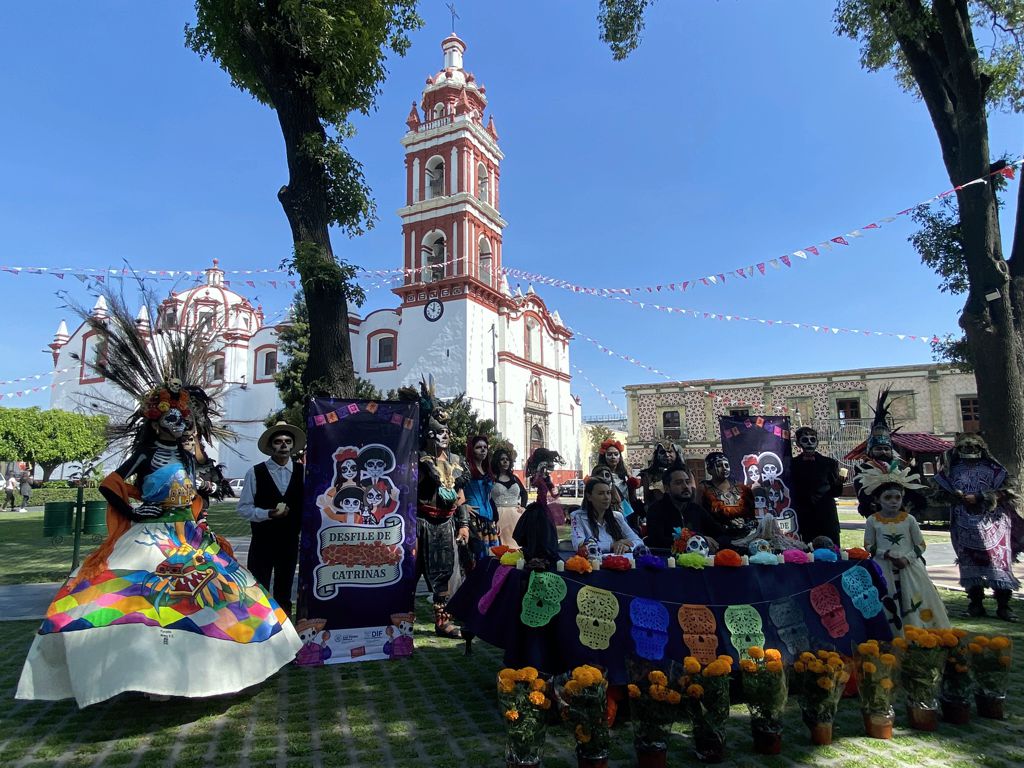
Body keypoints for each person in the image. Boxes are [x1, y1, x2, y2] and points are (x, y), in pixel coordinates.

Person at [934, 433, 1024, 621]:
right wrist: (955, 496)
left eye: (974, 447)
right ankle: (975, 604)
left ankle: (1003, 606)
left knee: (998, 563)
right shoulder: (951, 470)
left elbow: (1007, 491)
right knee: (968, 563)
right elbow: (938, 494)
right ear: (957, 449)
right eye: (964, 447)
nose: (969, 450)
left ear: (982, 448)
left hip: (993, 523)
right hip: (963, 524)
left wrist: (982, 496)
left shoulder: (994, 470)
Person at [407, 381, 470, 639]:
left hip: (445, 524)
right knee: (410, 572)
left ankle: (442, 622)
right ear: (429, 434)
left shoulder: (457, 462)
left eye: (446, 432)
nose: (444, 436)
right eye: (438, 432)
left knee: (443, 575)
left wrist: (464, 525)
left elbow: (460, 497)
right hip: (419, 522)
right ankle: (402, 621)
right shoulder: (418, 459)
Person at [861, 465, 951, 633]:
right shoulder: (872, 521)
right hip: (883, 568)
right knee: (888, 600)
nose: (893, 501)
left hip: (910, 568)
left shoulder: (909, 520)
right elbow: (868, 545)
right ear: (877, 500)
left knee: (915, 600)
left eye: (897, 497)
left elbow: (921, 545)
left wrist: (906, 559)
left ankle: (918, 632)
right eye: (888, 497)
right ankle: (893, 634)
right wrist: (886, 554)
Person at [236, 420, 306, 617]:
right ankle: (259, 627)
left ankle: (284, 629)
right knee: (258, 590)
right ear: (270, 446)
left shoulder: (302, 472)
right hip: (262, 541)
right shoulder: (255, 472)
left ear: (293, 446)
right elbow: (243, 508)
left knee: (284, 591)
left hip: (290, 542)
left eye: (287, 441)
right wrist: (267, 514)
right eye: (278, 441)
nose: (283, 445)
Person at [854, 387, 926, 518]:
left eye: (886, 449)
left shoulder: (902, 467)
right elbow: (863, 494)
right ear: (870, 451)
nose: (883, 451)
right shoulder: (862, 469)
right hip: (876, 517)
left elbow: (913, 492)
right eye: (878, 449)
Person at [645, 466, 726, 550]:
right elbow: (657, 541)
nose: (686, 486)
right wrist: (697, 540)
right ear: (667, 488)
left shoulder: (696, 509)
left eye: (687, 482)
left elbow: (719, 533)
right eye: (679, 483)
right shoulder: (656, 510)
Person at [789, 426, 845, 546]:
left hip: (827, 515)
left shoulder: (829, 463)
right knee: (808, 550)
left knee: (832, 549)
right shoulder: (793, 464)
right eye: (805, 440)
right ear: (798, 444)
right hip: (805, 516)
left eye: (813, 439)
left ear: (817, 442)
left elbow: (836, 493)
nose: (809, 443)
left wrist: (839, 483)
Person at [570, 476, 643, 554]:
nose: (606, 497)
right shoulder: (577, 516)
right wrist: (611, 545)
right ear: (589, 496)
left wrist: (627, 547)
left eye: (608, 493)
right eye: (601, 493)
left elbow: (639, 541)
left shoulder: (617, 517)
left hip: (617, 560)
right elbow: (580, 546)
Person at [460, 435, 499, 563]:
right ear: (472, 450)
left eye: (485, 447)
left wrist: (496, 519)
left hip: (489, 521)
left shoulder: (487, 470)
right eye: (478, 447)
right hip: (474, 520)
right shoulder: (465, 470)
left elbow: (489, 498)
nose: (483, 450)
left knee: (492, 559)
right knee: (476, 559)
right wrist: (463, 506)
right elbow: (454, 490)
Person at [697, 451, 754, 538]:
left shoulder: (742, 488)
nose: (724, 468)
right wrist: (726, 526)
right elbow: (699, 517)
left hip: (745, 536)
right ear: (709, 470)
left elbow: (752, 515)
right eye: (719, 465)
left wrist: (744, 523)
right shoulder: (703, 489)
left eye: (726, 465)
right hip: (717, 539)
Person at [597, 439, 642, 522]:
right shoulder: (600, 474)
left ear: (619, 457)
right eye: (609, 454)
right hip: (606, 514)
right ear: (604, 456)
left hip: (625, 513)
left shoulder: (625, 475)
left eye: (616, 454)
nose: (613, 457)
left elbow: (632, 497)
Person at [490, 447, 527, 547]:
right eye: (502, 459)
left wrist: (523, 506)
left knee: (518, 546)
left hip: (516, 516)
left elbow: (524, 493)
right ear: (497, 462)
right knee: (503, 547)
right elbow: (487, 498)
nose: (505, 461)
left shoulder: (514, 478)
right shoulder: (492, 479)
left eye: (507, 459)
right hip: (499, 515)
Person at [527, 447, 565, 527]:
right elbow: (535, 482)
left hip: (547, 508)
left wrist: (557, 493)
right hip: (540, 508)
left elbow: (553, 494)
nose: (549, 471)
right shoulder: (539, 479)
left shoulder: (547, 480)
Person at [639, 442, 681, 508]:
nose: (667, 455)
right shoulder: (648, 475)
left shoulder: (685, 472)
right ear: (657, 455)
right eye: (662, 452)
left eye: (670, 451)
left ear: (676, 453)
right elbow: (647, 499)